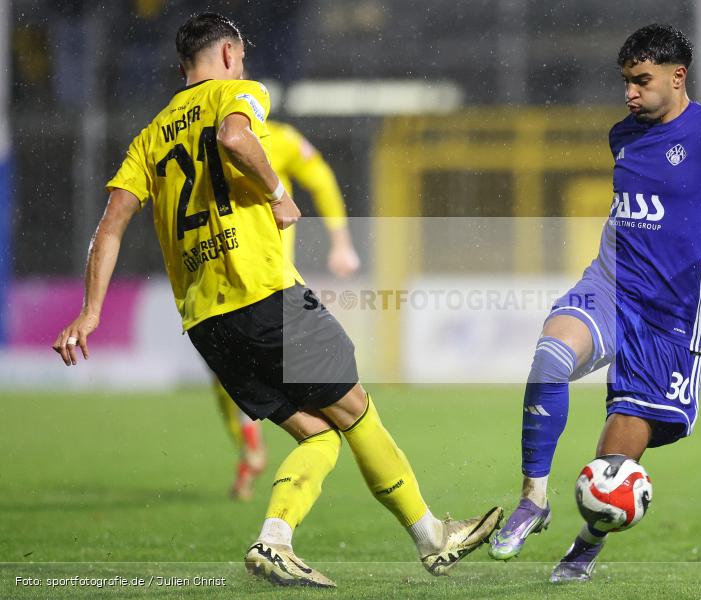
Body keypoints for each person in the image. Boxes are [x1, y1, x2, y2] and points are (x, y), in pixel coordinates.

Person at [52, 12, 501, 589]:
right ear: (231, 53)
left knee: (317, 435)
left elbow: (111, 221)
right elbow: (234, 137)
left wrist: (90, 311)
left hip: (207, 323)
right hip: (264, 296)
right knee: (355, 409)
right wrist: (278, 194)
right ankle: (431, 538)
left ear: (180, 64)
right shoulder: (239, 92)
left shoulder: (151, 135)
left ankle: (277, 541)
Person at [487, 24, 701, 582]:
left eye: (642, 81)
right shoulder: (622, 135)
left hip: (674, 313)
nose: (630, 93)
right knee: (550, 358)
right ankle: (533, 499)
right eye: (625, 82)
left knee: (611, 475)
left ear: (678, 77)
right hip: (609, 286)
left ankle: (586, 544)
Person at [218, 116, 360, 501]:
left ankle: (265, 446)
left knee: (233, 373)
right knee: (230, 379)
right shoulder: (253, 142)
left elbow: (321, 179)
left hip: (255, 286)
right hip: (242, 286)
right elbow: (321, 178)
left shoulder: (273, 140)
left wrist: (341, 240)